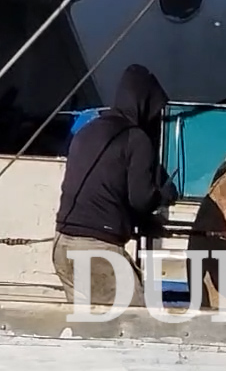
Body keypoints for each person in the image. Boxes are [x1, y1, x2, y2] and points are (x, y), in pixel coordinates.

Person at [54, 64, 179, 308]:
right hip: (96, 250)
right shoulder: (136, 138)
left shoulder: (87, 130)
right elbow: (141, 199)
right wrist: (163, 196)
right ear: (145, 106)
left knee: (89, 329)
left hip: (62, 245)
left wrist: (140, 221)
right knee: (135, 325)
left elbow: (105, 189)